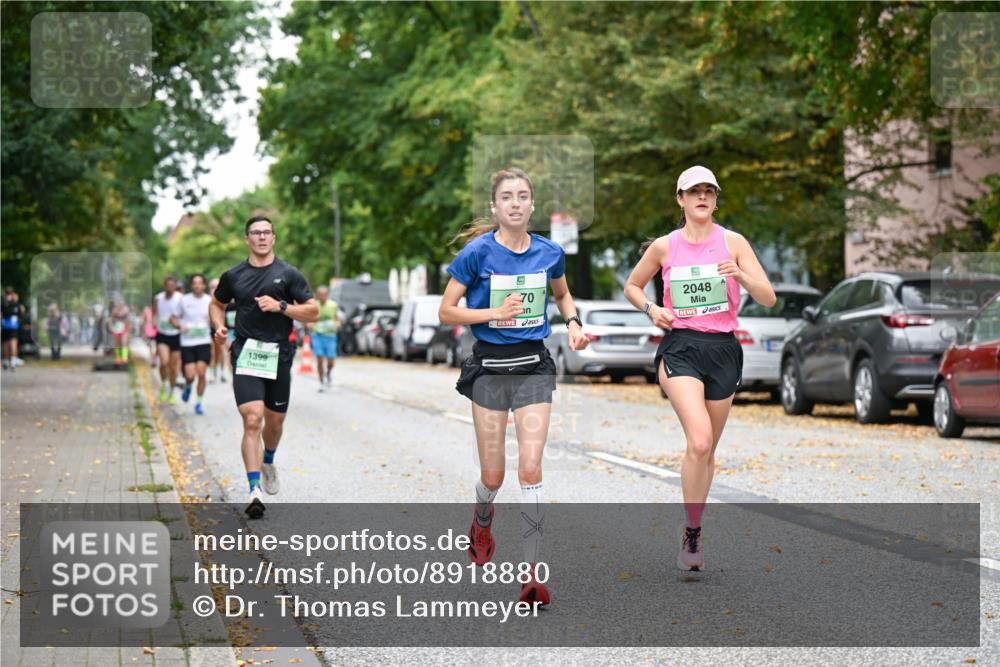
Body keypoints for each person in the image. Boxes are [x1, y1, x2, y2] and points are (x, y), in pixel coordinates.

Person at [439, 167, 589, 607]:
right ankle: (482, 518)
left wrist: (575, 323)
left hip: (533, 367)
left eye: (523, 196)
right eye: (507, 197)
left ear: (532, 204)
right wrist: (493, 313)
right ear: (494, 206)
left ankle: (532, 573)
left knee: (530, 469)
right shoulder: (476, 254)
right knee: (493, 475)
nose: (516, 203)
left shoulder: (549, 252)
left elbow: (561, 295)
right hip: (488, 368)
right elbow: (447, 311)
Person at [623, 165, 775, 573]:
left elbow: (769, 297)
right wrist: (652, 309)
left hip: (724, 349)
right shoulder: (664, 246)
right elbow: (632, 286)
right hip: (681, 348)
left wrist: (740, 273)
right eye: (694, 192)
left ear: (716, 199)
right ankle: (691, 534)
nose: (702, 197)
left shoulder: (733, 241)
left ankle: (694, 523)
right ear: (681, 199)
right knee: (701, 440)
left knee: (708, 452)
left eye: (709, 191)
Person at [210, 215, 318, 518]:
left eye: (266, 232)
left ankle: (269, 458)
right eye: (255, 233)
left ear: (273, 238)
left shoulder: (289, 274)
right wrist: (219, 327)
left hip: (279, 353)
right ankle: (254, 489)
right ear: (247, 239)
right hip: (246, 352)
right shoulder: (233, 275)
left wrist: (281, 306)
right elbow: (217, 304)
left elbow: (312, 312)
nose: (261, 237)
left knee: (274, 423)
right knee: (253, 419)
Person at [173, 274, 213, 415]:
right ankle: (188, 386)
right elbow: (173, 318)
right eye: (195, 283)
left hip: (203, 341)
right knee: (190, 375)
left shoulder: (209, 300)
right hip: (188, 342)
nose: (197, 285)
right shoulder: (184, 300)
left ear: (204, 285)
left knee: (201, 373)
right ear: (192, 285)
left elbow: (216, 318)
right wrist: (179, 326)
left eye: (200, 283)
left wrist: (212, 320)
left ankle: (199, 403)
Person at [153, 276, 184, 402]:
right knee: (164, 362)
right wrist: (154, 324)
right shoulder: (158, 298)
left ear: (175, 286)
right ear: (164, 286)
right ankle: (164, 385)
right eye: (167, 285)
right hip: (162, 334)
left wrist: (181, 325)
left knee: (173, 366)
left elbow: (183, 314)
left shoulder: (180, 298)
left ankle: (171, 391)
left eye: (172, 286)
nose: (170, 288)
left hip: (176, 334)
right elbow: (155, 314)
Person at [308, 285, 339, 391]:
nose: (322, 297)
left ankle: (328, 373)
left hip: (330, 336)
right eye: (320, 295)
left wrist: (338, 324)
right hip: (317, 335)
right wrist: (309, 324)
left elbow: (337, 319)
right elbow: (308, 318)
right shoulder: (314, 305)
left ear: (327, 295)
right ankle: (321, 382)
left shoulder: (333, 305)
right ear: (317, 295)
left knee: (331, 360)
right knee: (320, 359)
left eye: (324, 295)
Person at [208, 278, 228, 383]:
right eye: (212, 287)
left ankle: (222, 371)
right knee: (212, 352)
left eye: (216, 286)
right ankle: (212, 372)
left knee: (220, 351)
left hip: (221, 328)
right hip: (209, 329)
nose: (214, 289)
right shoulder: (206, 299)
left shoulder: (224, 297)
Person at [2, 288, 22, 370]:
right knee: (13, 343)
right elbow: (21, 313)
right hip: (14, 326)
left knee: (5, 343)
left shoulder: (2, 303)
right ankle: (13, 360)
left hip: (5, 325)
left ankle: (6, 360)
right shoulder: (15, 303)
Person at [108, 299, 131, 366]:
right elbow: (110, 319)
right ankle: (118, 358)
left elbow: (129, 320)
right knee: (118, 344)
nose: (120, 305)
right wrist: (111, 327)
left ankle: (124, 358)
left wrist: (129, 328)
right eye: (119, 304)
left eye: (121, 304)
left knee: (124, 342)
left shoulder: (126, 310)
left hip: (124, 328)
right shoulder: (114, 310)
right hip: (117, 328)